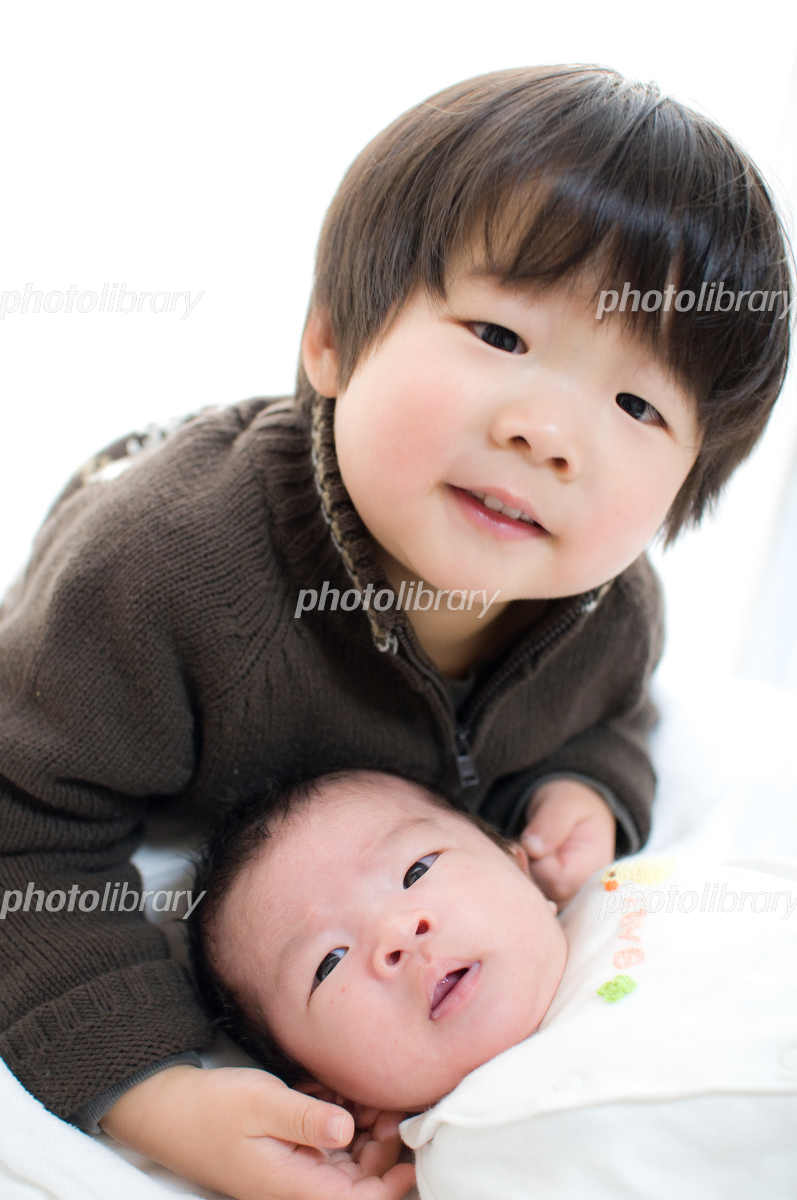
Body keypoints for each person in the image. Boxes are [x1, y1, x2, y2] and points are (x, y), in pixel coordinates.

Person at [0, 63, 791, 1200]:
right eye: (499, 334)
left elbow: (610, 717)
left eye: (636, 406)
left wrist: (580, 789)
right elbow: (21, 831)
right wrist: (155, 1092)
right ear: (330, 338)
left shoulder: (604, 612)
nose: (548, 432)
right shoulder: (157, 579)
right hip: (137, 512)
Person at [190, 769, 797, 1200]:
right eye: (328, 963)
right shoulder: (473, 1153)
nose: (397, 932)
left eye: (416, 870)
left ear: (514, 861)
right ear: (336, 1095)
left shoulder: (648, 886)